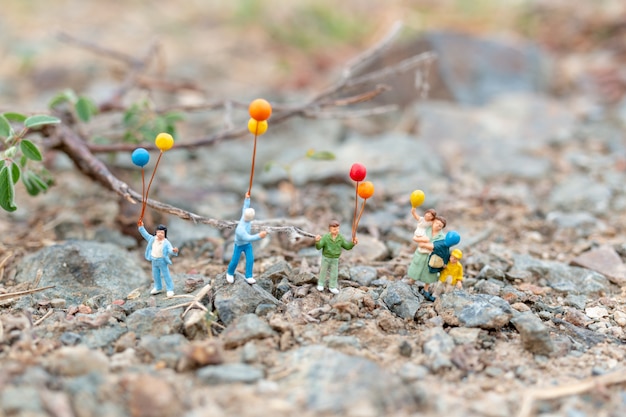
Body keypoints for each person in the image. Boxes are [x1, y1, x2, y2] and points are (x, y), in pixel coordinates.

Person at [226, 192, 268, 285]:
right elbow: (248, 238)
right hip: (240, 245)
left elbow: (245, 206)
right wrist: (259, 236)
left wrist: (247, 198)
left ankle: (249, 276)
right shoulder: (240, 228)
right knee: (235, 260)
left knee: (250, 259)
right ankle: (230, 273)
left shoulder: (246, 217)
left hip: (247, 245)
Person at [406, 215, 447, 302]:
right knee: (416, 268)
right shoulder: (425, 229)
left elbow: (439, 247)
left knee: (429, 272)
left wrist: (426, 245)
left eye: (440, 225)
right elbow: (416, 238)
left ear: (442, 228)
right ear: (433, 222)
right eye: (436, 223)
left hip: (431, 257)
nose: (437, 226)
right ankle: (411, 281)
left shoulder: (442, 237)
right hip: (420, 254)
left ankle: (426, 288)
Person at [138, 219, 179, 298]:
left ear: (165, 234)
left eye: (162, 233)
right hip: (154, 260)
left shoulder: (166, 242)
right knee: (155, 275)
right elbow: (145, 234)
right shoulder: (152, 239)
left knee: (166, 275)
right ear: (156, 232)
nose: (160, 234)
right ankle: (158, 287)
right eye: (158, 232)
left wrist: (174, 250)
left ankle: (170, 289)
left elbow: (170, 249)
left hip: (162, 260)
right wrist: (141, 227)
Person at [315, 220, 358, 294]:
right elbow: (319, 247)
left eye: (338, 229)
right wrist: (317, 241)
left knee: (334, 273)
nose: (336, 231)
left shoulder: (340, 237)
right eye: (334, 229)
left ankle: (332, 286)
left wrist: (352, 243)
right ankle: (321, 284)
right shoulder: (325, 237)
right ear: (330, 229)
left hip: (335, 258)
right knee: (323, 271)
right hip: (326, 257)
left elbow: (347, 247)